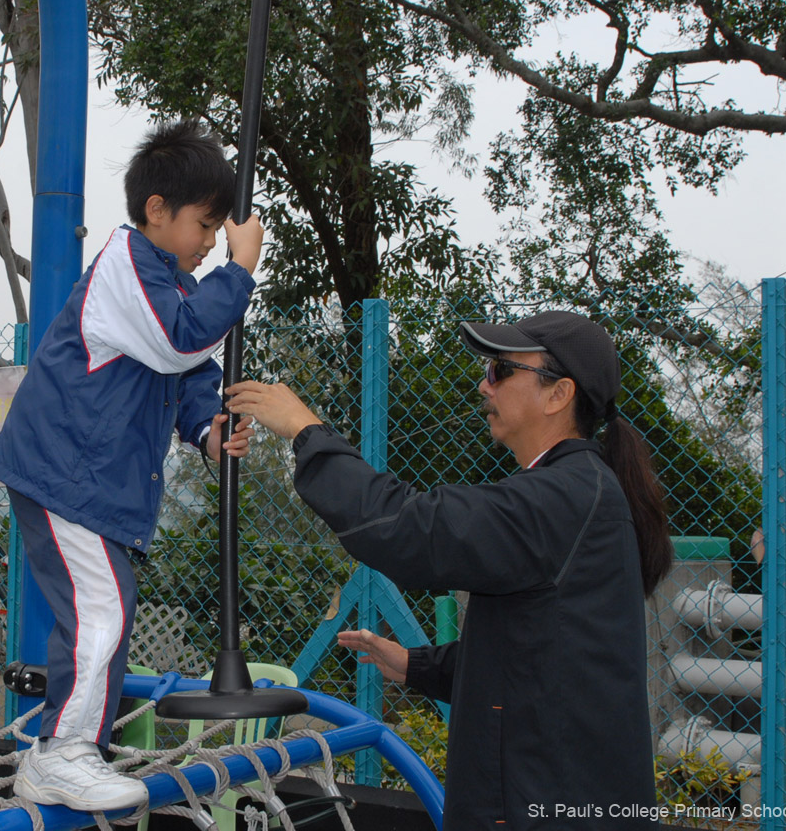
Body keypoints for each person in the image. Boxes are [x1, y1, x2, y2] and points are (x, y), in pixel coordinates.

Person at [226, 310, 673, 829]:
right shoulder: (574, 490)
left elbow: (412, 531)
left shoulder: (561, 496)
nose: (483, 385)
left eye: (501, 371)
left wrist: (307, 431)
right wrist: (417, 665)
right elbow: (540, 656)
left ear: (558, 394)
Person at [0, 119, 262, 812]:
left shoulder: (165, 280)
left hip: (92, 481)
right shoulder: (125, 266)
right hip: (65, 471)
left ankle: (65, 751)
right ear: (156, 212)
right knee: (102, 609)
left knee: (101, 606)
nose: (208, 243)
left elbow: (189, 377)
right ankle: (65, 754)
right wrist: (240, 271)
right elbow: (181, 339)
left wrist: (208, 430)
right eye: (205, 225)